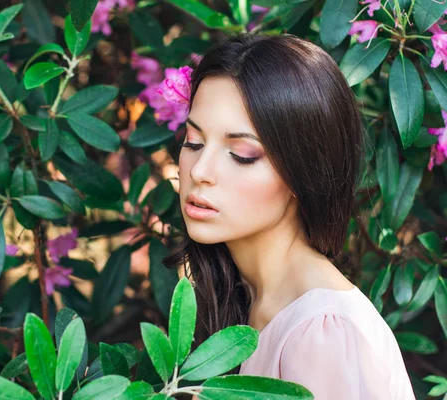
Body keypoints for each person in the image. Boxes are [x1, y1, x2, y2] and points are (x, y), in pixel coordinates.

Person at [163, 33, 416, 399]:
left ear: (304, 173)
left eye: (242, 154)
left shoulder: (320, 333)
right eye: (193, 142)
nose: (200, 169)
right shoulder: (241, 296)